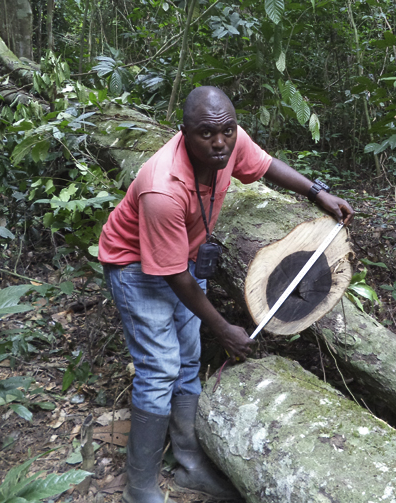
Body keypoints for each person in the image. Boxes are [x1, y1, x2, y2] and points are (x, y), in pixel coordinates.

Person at [98, 86, 354, 503]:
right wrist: (222, 328)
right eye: (206, 134)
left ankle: (190, 466)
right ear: (184, 133)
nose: (220, 143)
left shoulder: (227, 139)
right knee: (159, 368)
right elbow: (173, 274)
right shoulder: (162, 188)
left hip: (183, 258)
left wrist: (317, 192)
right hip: (135, 266)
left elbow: (266, 164)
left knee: (187, 361)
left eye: (227, 131)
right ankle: (140, 486)